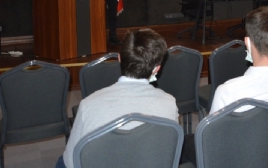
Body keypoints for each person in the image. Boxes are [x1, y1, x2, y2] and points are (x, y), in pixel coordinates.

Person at [181, 7, 268, 168]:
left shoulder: (228, 90)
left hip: (233, 162)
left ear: (247, 42)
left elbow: (210, 137)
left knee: (186, 142)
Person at [57, 29, 178, 168]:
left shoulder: (88, 104)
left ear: (119, 59)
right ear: (156, 69)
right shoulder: (169, 103)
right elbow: (168, 152)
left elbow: (72, 161)